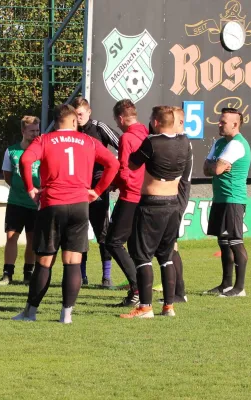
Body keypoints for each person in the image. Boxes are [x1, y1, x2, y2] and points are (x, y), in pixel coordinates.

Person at [12, 104, 119, 323]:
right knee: (72, 261)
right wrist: (97, 191)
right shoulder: (88, 141)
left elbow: (25, 160)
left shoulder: (45, 140)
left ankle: (30, 313)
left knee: (44, 261)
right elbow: (113, 163)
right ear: (72, 121)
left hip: (52, 203)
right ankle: (66, 315)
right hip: (80, 205)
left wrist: (30, 188)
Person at [120, 106, 192, 319]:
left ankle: (145, 307)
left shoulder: (152, 142)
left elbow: (133, 164)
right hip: (173, 204)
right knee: (166, 256)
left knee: (142, 256)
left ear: (157, 122)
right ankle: (168, 306)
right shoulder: (185, 143)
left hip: (151, 204)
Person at [72, 97, 121, 287]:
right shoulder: (71, 132)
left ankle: (106, 276)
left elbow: (123, 145)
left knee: (103, 233)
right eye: (75, 115)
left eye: (81, 114)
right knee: (79, 232)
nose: (78, 118)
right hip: (77, 188)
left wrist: (114, 178)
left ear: (89, 112)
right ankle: (82, 276)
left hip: (98, 189)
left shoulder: (100, 128)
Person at [203, 108, 251, 297]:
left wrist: (215, 167)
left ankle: (239, 288)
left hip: (233, 199)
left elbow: (215, 169)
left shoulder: (237, 145)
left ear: (235, 124)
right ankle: (225, 284)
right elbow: (207, 168)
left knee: (235, 242)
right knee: (223, 242)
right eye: (220, 121)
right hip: (220, 198)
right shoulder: (221, 143)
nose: (219, 124)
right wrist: (215, 167)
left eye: (223, 121)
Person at [105, 100, 148, 307]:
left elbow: (123, 169)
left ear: (121, 118)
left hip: (130, 195)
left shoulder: (127, 138)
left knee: (113, 241)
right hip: (146, 195)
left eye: (116, 120)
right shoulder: (147, 134)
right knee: (135, 245)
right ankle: (167, 290)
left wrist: (113, 183)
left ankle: (138, 288)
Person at [0, 116, 41, 286]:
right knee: (11, 236)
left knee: (32, 238)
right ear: (23, 131)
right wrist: (20, 188)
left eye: (37, 130)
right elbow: (7, 176)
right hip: (16, 202)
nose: (35, 134)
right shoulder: (12, 151)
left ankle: (28, 273)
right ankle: (7, 274)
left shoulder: (42, 151)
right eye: (32, 131)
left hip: (35, 203)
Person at [158, 107, 192, 303]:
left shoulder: (182, 143)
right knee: (171, 245)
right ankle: (177, 291)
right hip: (174, 194)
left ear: (180, 123)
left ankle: (179, 293)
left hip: (177, 195)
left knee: (171, 246)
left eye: (175, 122)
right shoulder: (177, 142)